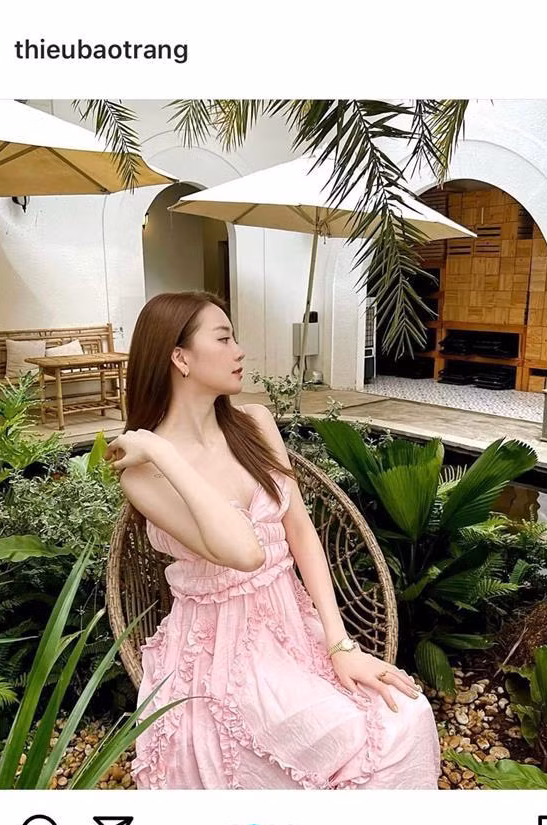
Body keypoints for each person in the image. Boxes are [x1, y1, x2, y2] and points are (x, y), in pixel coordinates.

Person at [104, 291, 441, 789]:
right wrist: (162, 450)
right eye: (224, 339)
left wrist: (340, 643)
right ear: (180, 358)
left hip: (294, 626)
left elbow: (300, 532)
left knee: (407, 713)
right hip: (224, 653)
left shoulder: (254, 424)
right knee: (339, 735)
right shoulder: (144, 473)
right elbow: (244, 552)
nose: (240, 351)